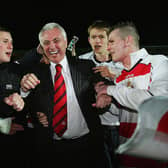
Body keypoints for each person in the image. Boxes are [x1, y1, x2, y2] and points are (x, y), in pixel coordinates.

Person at [20, 22, 107, 168]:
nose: (52, 47)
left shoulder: (85, 66)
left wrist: (104, 93)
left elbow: (101, 84)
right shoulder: (35, 72)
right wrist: (25, 93)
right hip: (51, 148)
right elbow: (27, 106)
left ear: (66, 42)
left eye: (56, 41)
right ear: (42, 47)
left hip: (87, 145)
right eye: (46, 43)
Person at [94, 21, 168, 168]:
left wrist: (110, 90)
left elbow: (155, 102)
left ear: (127, 41)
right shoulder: (120, 76)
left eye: (112, 42)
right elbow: (122, 113)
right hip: (126, 151)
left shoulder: (159, 62)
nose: (107, 47)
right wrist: (107, 102)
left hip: (155, 154)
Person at [78, 20, 123, 168]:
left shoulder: (122, 61)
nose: (97, 41)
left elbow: (135, 87)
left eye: (102, 37)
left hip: (118, 124)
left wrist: (113, 76)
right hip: (92, 126)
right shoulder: (82, 61)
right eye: (93, 37)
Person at [0, 26, 28, 168]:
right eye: (5, 41)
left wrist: (23, 96)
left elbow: (29, 103)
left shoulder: (17, 70)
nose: (11, 46)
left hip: (16, 149)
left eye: (11, 42)